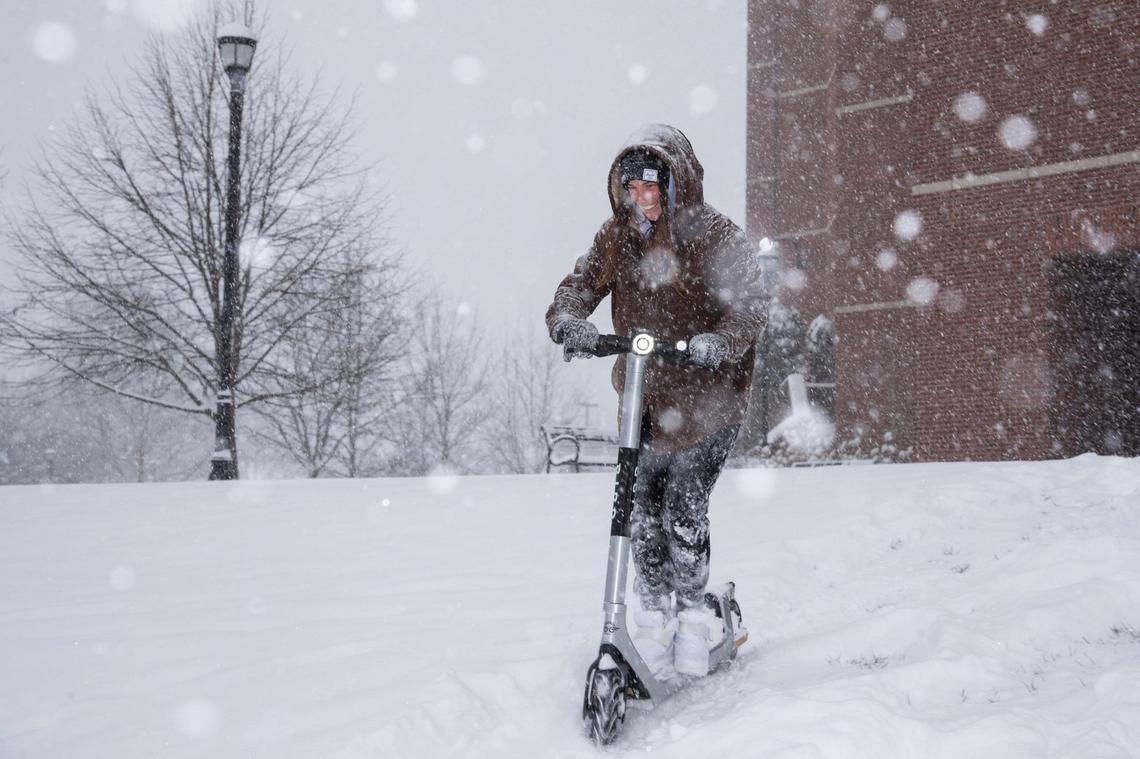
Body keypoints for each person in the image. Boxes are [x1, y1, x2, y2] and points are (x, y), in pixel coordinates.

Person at [544, 124, 769, 677]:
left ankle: (694, 614)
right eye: (632, 189)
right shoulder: (615, 238)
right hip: (643, 400)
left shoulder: (715, 236)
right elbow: (579, 285)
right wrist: (570, 321)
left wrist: (722, 341)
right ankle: (655, 615)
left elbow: (752, 301)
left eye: (653, 186)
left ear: (676, 184)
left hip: (709, 401)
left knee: (683, 511)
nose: (643, 200)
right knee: (640, 513)